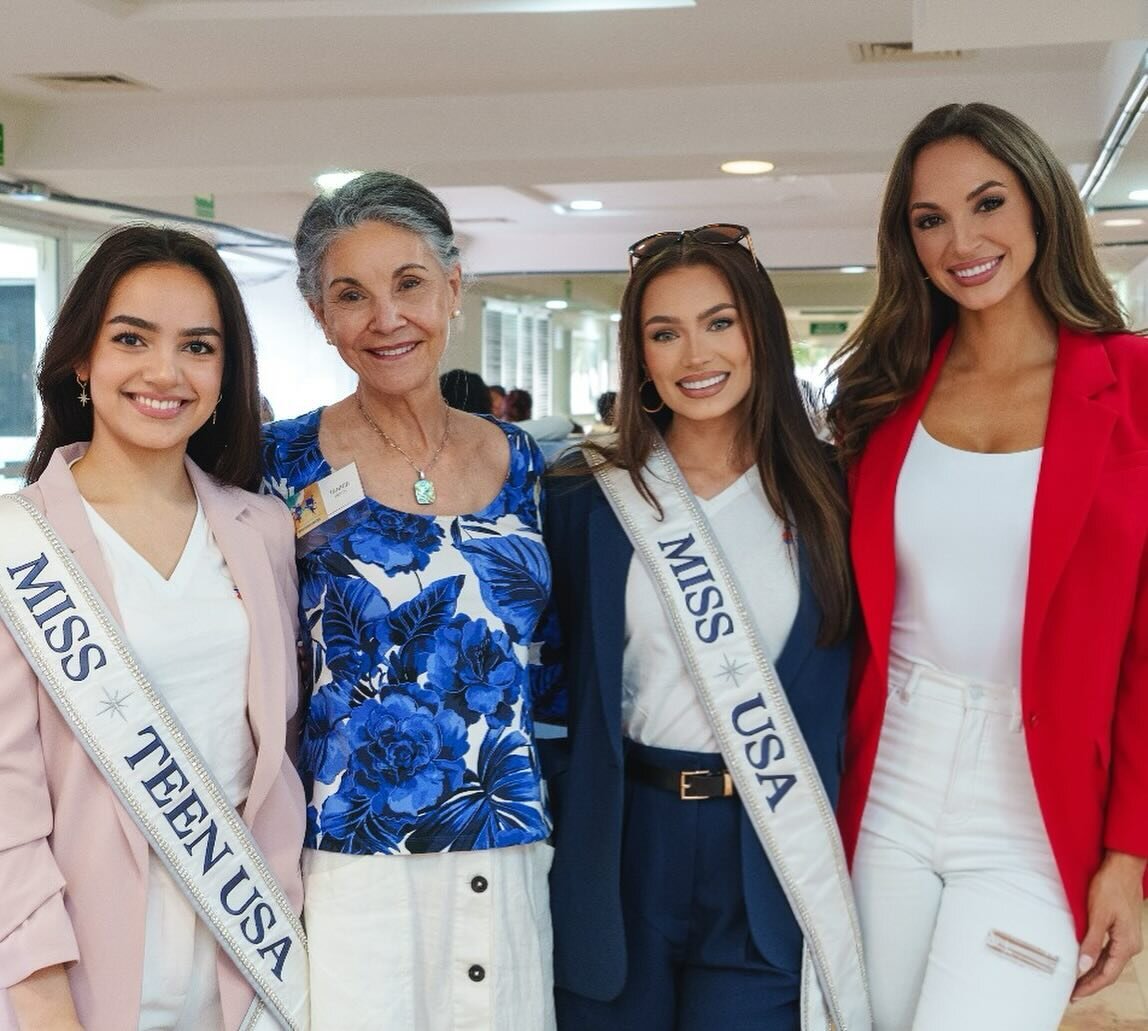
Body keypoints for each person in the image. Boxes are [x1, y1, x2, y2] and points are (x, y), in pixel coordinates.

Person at [828, 101, 1148, 1030]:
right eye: (930, 219)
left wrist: (1128, 854)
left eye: (987, 203)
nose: (961, 240)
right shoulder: (883, 391)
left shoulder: (1131, 382)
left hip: (1034, 803)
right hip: (890, 777)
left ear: (1041, 206)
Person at [541, 224, 867, 1030]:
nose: (696, 355)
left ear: (759, 329)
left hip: (767, 848)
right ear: (640, 355)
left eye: (719, 322)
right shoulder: (587, 497)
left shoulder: (834, 496)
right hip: (622, 849)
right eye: (665, 332)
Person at [261, 171, 556, 1031]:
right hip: (353, 865)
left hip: (507, 848)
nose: (387, 317)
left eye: (410, 283)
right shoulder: (277, 465)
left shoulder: (529, 464)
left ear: (454, 288)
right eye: (350, 294)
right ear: (321, 317)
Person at [0, 225, 306, 1030]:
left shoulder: (262, 529)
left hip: (251, 966)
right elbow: (7, 803)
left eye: (197, 347)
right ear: (81, 358)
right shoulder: (17, 544)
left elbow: (276, 755)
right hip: (85, 983)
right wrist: (40, 1001)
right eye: (132, 338)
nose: (165, 373)